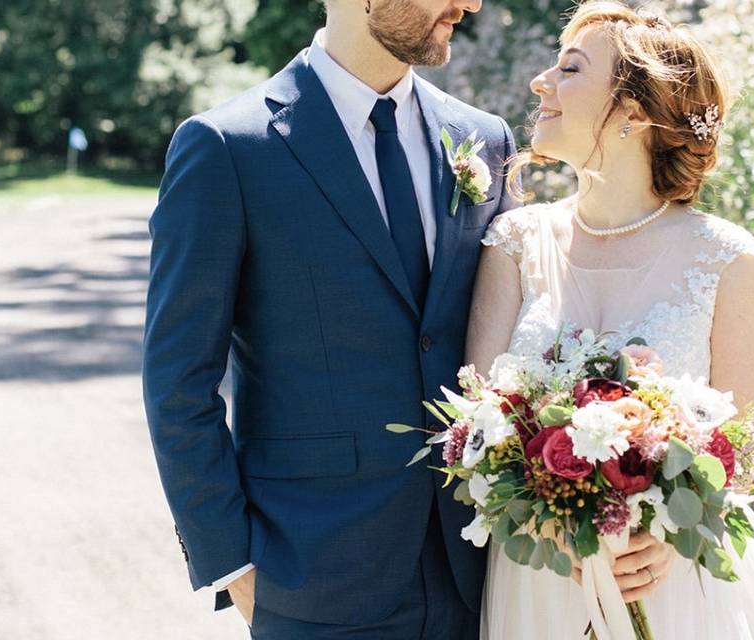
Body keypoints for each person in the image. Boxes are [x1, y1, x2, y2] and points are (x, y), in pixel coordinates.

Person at [143, 0, 517, 637]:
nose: (471, 3)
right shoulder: (225, 148)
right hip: (313, 576)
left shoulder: (484, 138)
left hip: (480, 570)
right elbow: (178, 379)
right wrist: (230, 562)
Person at [465, 2, 754, 638]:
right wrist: (548, 520)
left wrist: (670, 534)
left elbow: (739, 455)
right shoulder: (513, 242)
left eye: (569, 69)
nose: (539, 82)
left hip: (678, 580)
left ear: (634, 109)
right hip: (542, 581)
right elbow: (478, 427)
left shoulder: (727, 259)